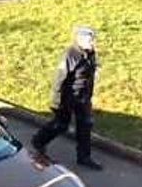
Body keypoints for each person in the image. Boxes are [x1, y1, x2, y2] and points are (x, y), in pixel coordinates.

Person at [31, 27, 103, 171]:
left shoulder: (89, 53)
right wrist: (57, 102)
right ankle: (38, 141)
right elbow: (59, 80)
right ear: (80, 39)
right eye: (90, 40)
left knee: (85, 126)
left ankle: (84, 158)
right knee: (61, 124)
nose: (93, 42)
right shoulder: (70, 55)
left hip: (83, 98)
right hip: (68, 97)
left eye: (93, 39)